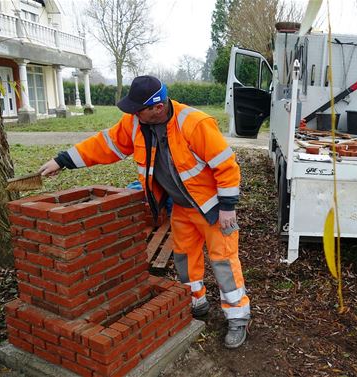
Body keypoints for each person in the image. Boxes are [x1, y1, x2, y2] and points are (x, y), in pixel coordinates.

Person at [39, 75, 250, 349]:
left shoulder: (194, 124)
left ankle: (237, 317)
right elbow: (105, 145)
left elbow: (226, 166)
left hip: (212, 209)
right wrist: (62, 160)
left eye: (139, 110)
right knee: (185, 259)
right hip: (183, 208)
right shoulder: (136, 123)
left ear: (158, 107)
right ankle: (195, 302)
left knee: (224, 263)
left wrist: (227, 208)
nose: (133, 116)